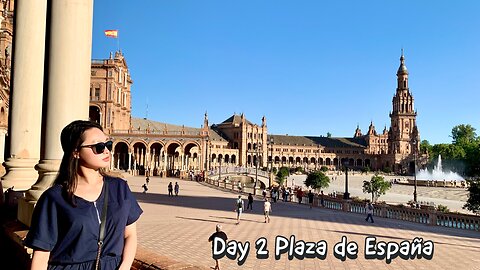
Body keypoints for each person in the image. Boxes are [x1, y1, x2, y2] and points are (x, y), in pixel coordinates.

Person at [25, 120, 143, 270]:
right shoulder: (55, 198)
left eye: (108, 145)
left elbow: (130, 235)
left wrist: (124, 267)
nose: (106, 151)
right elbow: (41, 255)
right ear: (76, 152)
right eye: (98, 147)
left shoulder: (120, 188)